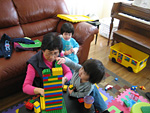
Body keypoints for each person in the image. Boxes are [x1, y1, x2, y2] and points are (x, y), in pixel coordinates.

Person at [23, 32, 72, 96]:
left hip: (58, 88)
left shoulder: (60, 56)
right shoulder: (33, 64)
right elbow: (25, 87)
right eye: (49, 53)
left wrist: (64, 79)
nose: (52, 57)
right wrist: (40, 91)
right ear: (42, 50)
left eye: (55, 53)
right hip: (45, 90)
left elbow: (69, 72)